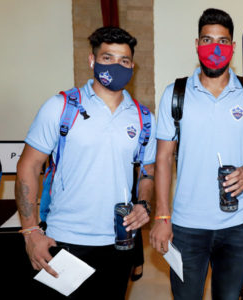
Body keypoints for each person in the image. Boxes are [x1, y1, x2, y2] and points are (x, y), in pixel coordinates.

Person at [15, 26, 156, 299]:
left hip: (119, 244)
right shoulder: (60, 106)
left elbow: (147, 171)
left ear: (133, 66)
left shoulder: (143, 117)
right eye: (107, 58)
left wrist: (144, 203)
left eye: (124, 61)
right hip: (64, 241)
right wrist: (31, 232)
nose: (117, 66)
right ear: (92, 61)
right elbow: (28, 167)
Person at [150, 8, 243, 300]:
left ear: (232, 47)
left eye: (222, 41)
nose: (214, 48)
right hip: (186, 226)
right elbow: (164, 158)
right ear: (197, 45)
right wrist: (162, 216)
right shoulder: (175, 93)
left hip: (238, 225)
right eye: (207, 40)